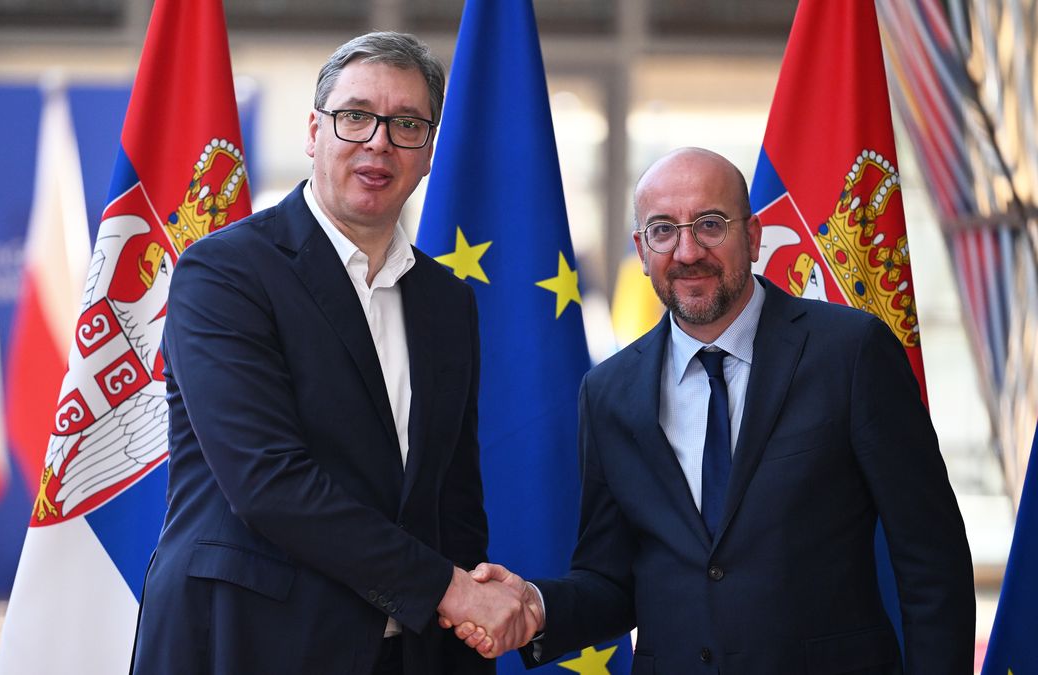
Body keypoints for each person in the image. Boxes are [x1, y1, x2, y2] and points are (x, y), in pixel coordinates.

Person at [454, 147, 975, 673]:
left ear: (752, 237)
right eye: (663, 230)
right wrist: (535, 607)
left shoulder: (851, 353)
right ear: (641, 249)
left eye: (709, 224)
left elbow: (932, 560)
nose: (686, 251)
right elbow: (613, 581)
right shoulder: (608, 392)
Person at [130, 32, 532, 675]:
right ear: (314, 131)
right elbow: (268, 483)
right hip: (249, 644)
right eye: (356, 117)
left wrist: (467, 630)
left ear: (429, 152)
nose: (379, 141)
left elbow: (451, 505)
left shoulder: (446, 302)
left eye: (406, 124)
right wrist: (451, 592)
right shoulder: (224, 273)